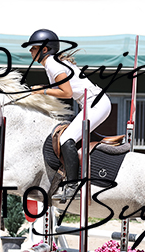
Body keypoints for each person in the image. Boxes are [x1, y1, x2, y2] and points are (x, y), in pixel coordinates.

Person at [27, 29, 112, 201]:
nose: (30, 51)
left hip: (96, 104)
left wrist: (42, 90)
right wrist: (43, 89)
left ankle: (73, 187)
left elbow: (66, 93)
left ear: (45, 49)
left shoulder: (52, 64)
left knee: (66, 138)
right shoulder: (52, 63)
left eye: (34, 48)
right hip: (91, 103)